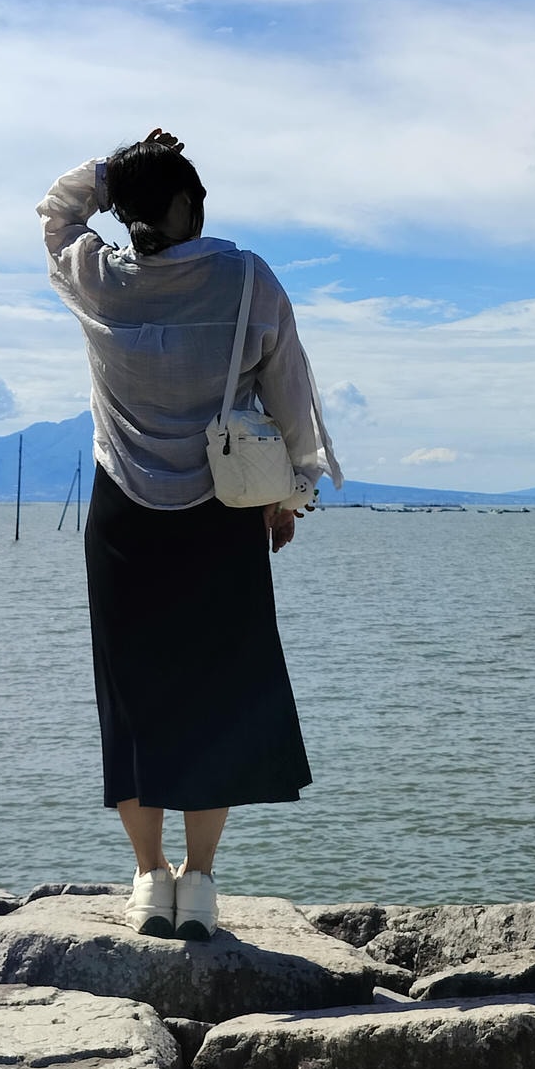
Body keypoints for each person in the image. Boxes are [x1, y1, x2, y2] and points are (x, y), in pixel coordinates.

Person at [37, 128, 343, 940]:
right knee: (217, 692)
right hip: (223, 513)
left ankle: (148, 878)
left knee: (132, 695)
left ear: (128, 211)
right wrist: (291, 494)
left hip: (121, 513)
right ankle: (199, 882)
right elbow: (291, 394)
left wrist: (113, 169)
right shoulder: (246, 280)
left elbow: (56, 214)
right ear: (186, 205)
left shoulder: (99, 279)